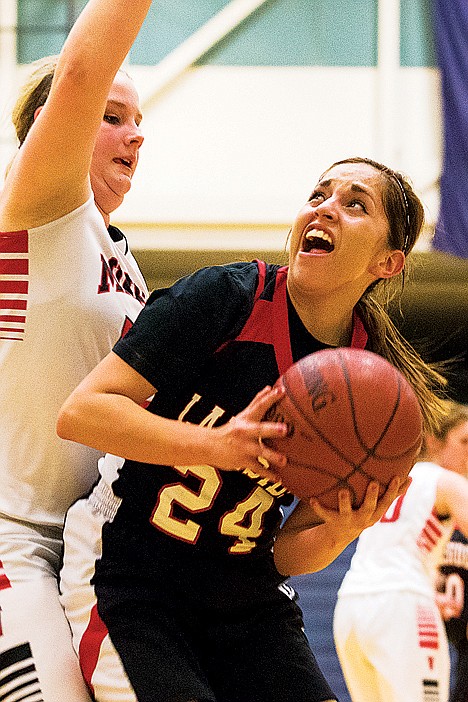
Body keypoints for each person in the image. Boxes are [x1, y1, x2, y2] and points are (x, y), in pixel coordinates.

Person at [57, 156, 447, 702]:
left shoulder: (373, 383)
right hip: (130, 572)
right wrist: (217, 445)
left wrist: (340, 530)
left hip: (243, 595)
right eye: (319, 194)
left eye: (354, 204)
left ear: (388, 262)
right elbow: (82, 412)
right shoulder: (228, 298)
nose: (325, 208)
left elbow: (282, 555)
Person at [0, 1, 153, 700]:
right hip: (11, 538)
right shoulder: (40, 204)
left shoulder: (131, 268)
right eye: (112, 116)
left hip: (86, 554)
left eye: (140, 122)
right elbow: (87, 66)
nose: (136, 136)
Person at [333, 402, 468, 702]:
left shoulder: (392, 478)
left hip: (350, 607)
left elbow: (400, 548)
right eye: (465, 441)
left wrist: (431, 588)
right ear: (434, 441)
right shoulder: (447, 481)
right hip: (402, 605)